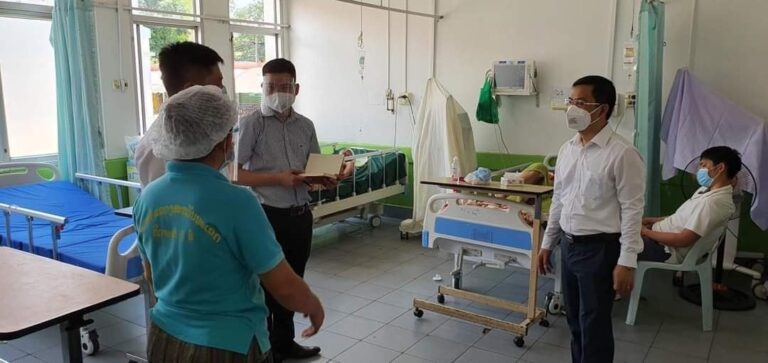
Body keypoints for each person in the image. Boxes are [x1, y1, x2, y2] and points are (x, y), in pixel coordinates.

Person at [133, 85, 324, 362]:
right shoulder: (237, 202)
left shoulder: (148, 196)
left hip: (165, 337)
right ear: (223, 141)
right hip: (227, 344)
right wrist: (312, 305)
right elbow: (281, 284)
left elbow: (150, 274)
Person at [537, 75, 645, 363]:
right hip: (569, 247)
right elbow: (559, 199)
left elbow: (633, 211)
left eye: (581, 102)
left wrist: (627, 261)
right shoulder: (567, 150)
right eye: (571, 101)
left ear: (603, 109)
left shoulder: (623, 154)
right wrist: (548, 244)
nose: (573, 108)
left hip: (600, 249)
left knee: (594, 325)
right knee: (574, 321)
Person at [236, 58, 334, 362]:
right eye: (271, 86)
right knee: (266, 285)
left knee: (294, 279)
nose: (278, 92)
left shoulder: (306, 126)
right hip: (265, 215)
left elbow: (312, 169)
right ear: (263, 88)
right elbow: (234, 173)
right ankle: (264, 349)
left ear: (296, 89)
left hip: (299, 215)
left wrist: (325, 180)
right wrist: (277, 178)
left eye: (285, 86)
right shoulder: (252, 124)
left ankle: (284, 343)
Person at [135, 41, 225, 187]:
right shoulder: (159, 149)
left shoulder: (204, 133)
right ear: (191, 89)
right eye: (217, 84)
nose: (222, 90)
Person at [639, 146, 740, 263]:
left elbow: (683, 240)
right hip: (657, 238)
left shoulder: (713, 203)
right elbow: (682, 218)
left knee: (617, 245)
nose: (699, 170)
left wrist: (645, 232)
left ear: (720, 168)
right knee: (618, 234)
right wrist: (650, 221)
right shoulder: (705, 191)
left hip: (665, 249)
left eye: (703, 165)